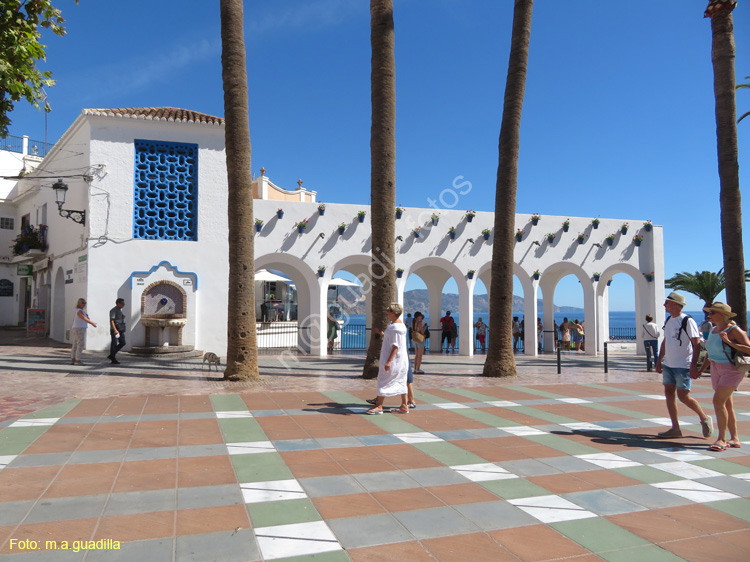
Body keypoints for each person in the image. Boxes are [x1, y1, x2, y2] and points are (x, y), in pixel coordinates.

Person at [655, 292, 713, 439]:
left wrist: (693, 365)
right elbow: (665, 341)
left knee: (684, 396)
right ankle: (675, 428)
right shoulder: (669, 320)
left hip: (683, 365)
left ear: (675, 304)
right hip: (669, 364)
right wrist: (659, 360)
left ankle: (704, 418)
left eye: (667, 303)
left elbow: (697, 343)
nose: (664, 305)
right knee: (669, 394)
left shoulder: (687, 321)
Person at [699, 302, 750, 451]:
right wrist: (701, 370)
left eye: (713, 312)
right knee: (727, 404)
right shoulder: (714, 329)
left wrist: (728, 341)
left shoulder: (734, 330)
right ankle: (734, 438)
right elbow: (710, 353)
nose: (709, 315)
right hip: (716, 368)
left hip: (731, 369)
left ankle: (722, 439)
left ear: (722, 315)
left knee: (717, 401)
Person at [366, 303, 409, 414]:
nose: (386, 311)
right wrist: (381, 333)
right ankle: (404, 406)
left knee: (383, 380)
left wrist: (389, 361)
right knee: (401, 381)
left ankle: (379, 406)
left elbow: (395, 346)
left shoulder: (396, 328)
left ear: (393, 313)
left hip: (395, 360)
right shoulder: (396, 325)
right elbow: (391, 339)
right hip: (400, 360)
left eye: (388, 310)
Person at [70, 298, 96, 365]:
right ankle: (77, 359)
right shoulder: (79, 311)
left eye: (85, 303)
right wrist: (92, 323)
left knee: (76, 344)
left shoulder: (80, 311)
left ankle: (73, 358)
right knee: (80, 344)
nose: (84, 304)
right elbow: (83, 318)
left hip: (78, 328)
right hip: (79, 328)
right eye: (83, 303)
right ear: (79, 303)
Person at [108, 298, 126, 364]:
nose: (123, 304)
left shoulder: (119, 310)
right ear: (118, 303)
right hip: (115, 329)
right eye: (122, 303)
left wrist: (122, 317)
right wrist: (115, 330)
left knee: (123, 342)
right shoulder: (113, 310)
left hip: (120, 329)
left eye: (123, 303)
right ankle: (113, 358)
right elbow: (112, 320)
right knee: (114, 344)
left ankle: (112, 355)